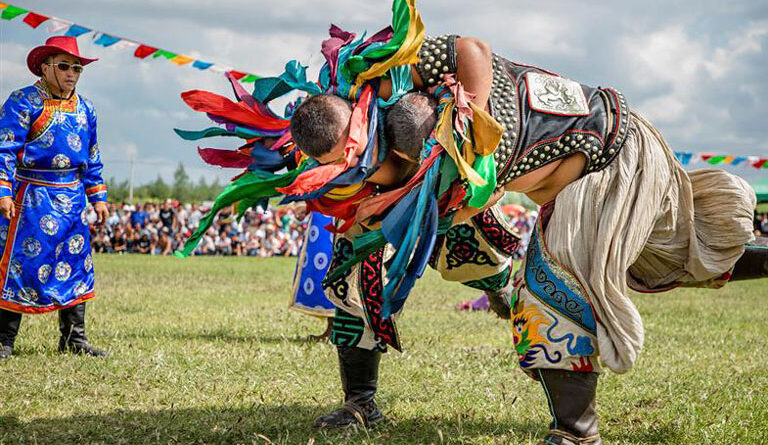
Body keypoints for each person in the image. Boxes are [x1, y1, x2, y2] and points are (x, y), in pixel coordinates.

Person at [289, 27, 765, 444]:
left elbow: (472, 48)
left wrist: (471, 125)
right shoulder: (354, 128)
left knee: (566, 281)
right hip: (509, 177)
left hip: (608, 158)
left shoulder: (429, 97)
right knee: (355, 259)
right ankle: (360, 402)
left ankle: (577, 433)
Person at [0, 36, 109, 359]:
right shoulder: (23, 101)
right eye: (64, 66)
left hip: (72, 199)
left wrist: (98, 196)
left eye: (77, 68)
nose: (71, 73)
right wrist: (3, 190)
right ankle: (4, 340)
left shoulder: (86, 108)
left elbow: (92, 156)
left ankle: (75, 339)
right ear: (45, 68)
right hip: (31, 198)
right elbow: (3, 149)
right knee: (21, 266)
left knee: (75, 264)